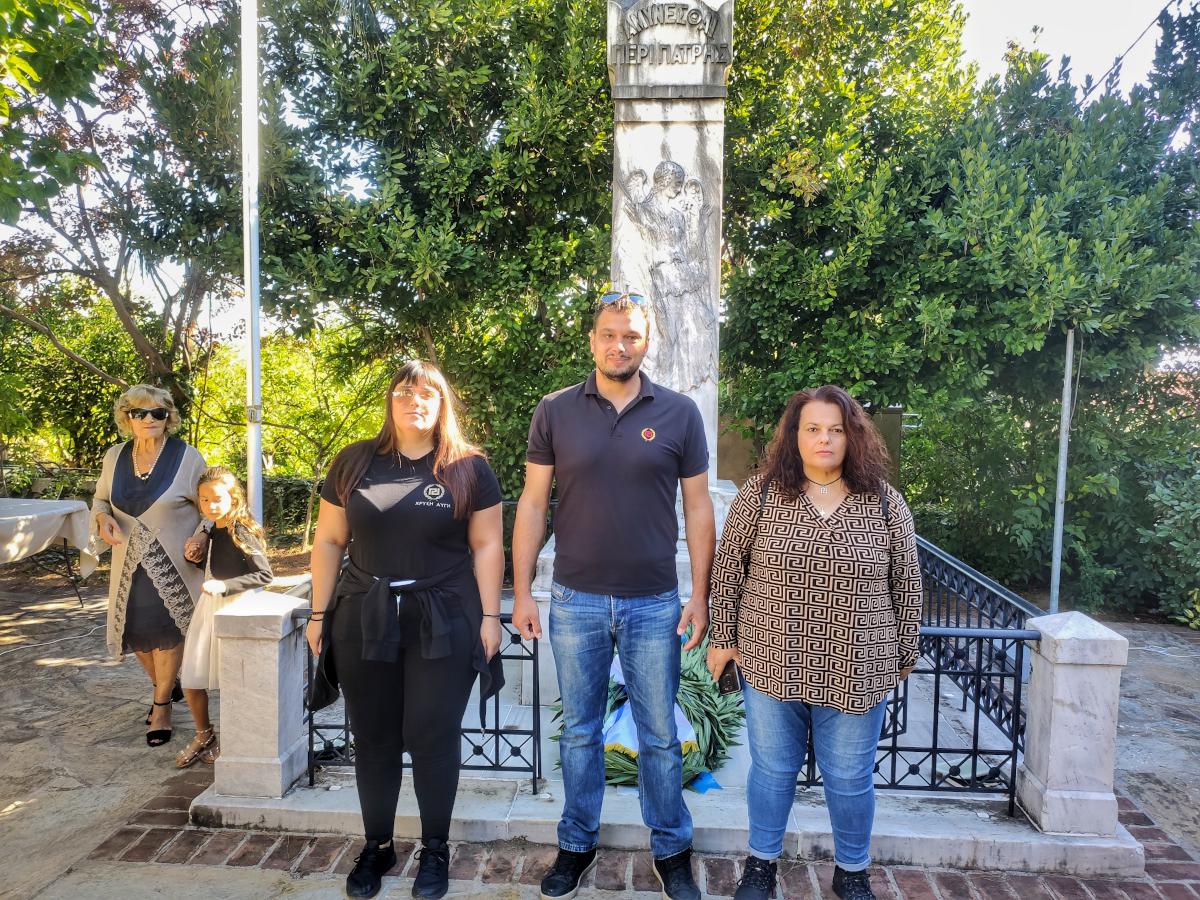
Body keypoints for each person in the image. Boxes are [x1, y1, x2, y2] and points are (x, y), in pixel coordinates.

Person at [511, 291, 716, 900]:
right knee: (579, 732)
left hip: (654, 602)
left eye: (630, 335)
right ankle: (576, 842)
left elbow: (698, 508)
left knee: (659, 734)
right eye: (608, 334)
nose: (618, 345)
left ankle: (671, 848)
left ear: (646, 342)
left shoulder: (679, 413)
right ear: (592, 340)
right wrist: (522, 591)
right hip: (575, 601)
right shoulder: (555, 410)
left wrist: (700, 595)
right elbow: (532, 504)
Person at [706, 385, 923, 900]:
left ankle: (852, 871)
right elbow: (727, 572)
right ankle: (761, 865)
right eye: (813, 429)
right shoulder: (760, 495)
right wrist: (723, 638)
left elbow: (907, 583)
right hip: (771, 662)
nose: (824, 439)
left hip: (856, 666)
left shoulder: (884, 503)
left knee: (849, 778)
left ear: (853, 437)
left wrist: (905, 652)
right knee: (772, 771)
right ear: (794, 436)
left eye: (836, 429)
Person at [305, 360, 504, 900]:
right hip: (362, 614)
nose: (413, 402)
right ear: (390, 401)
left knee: (432, 733)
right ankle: (378, 845)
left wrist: (490, 617)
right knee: (373, 737)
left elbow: (488, 544)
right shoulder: (353, 462)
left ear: (442, 404)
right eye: (403, 392)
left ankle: (435, 848)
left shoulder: (468, 468)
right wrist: (319, 614)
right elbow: (329, 541)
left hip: (445, 616)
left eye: (426, 394)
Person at [87, 384, 208, 747]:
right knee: (137, 633)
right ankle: (165, 687)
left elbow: (210, 507)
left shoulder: (188, 457)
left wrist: (202, 535)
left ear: (169, 417)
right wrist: (102, 518)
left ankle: (161, 705)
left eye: (158, 412)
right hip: (129, 564)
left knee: (168, 632)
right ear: (127, 418)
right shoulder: (114, 456)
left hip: (175, 562)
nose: (149, 419)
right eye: (139, 413)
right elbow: (100, 500)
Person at [175, 466, 273, 768]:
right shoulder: (212, 529)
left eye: (217, 499)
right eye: (204, 500)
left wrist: (225, 586)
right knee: (192, 677)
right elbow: (217, 565)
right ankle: (204, 735)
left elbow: (264, 574)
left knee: (233, 680)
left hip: (235, 609)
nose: (210, 506)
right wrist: (196, 559)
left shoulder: (240, 530)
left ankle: (238, 740)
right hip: (209, 609)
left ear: (233, 497)